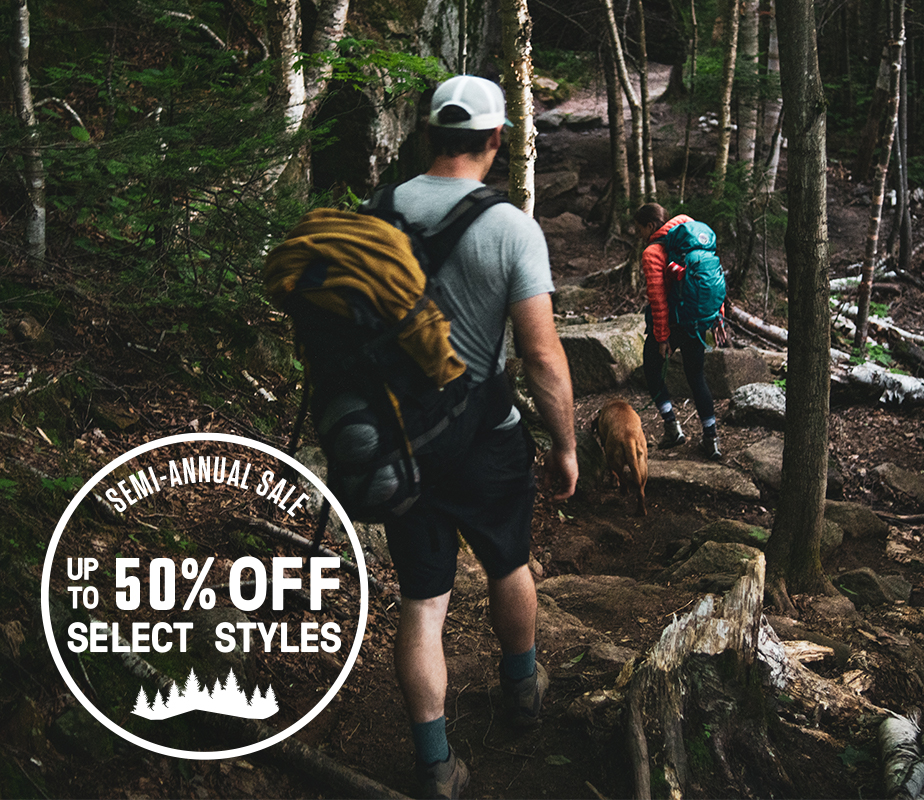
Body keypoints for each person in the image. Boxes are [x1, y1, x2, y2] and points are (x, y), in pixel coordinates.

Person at [379, 75, 578, 799]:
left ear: (429, 134)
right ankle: (522, 691)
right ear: (496, 139)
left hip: (402, 441)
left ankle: (435, 763)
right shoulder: (511, 227)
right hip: (488, 437)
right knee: (508, 565)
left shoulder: (381, 213)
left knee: (423, 602)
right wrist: (565, 445)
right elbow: (542, 354)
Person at [634, 202, 722, 461]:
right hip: (696, 320)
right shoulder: (690, 232)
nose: (640, 235)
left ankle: (672, 427)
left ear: (651, 225)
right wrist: (717, 317)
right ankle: (711, 439)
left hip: (672, 324)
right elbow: (711, 277)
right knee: (696, 377)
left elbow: (658, 299)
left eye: (640, 229)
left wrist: (662, 337)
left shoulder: (652, 252)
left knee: (651, 369)